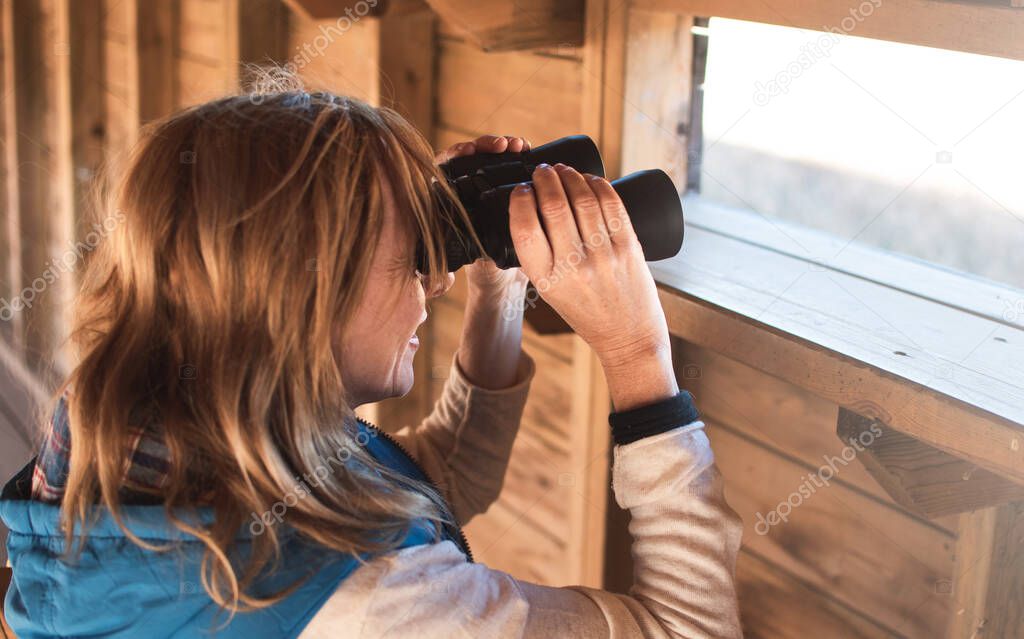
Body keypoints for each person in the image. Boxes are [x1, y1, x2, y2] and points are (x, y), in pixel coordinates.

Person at [0, 81, 743, 638]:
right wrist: (638, 358)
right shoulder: (372, 606)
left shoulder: (161, 422)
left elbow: (427, 487)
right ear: (304, 289)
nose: (435, 279)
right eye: (409, 255)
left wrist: (499, 282)